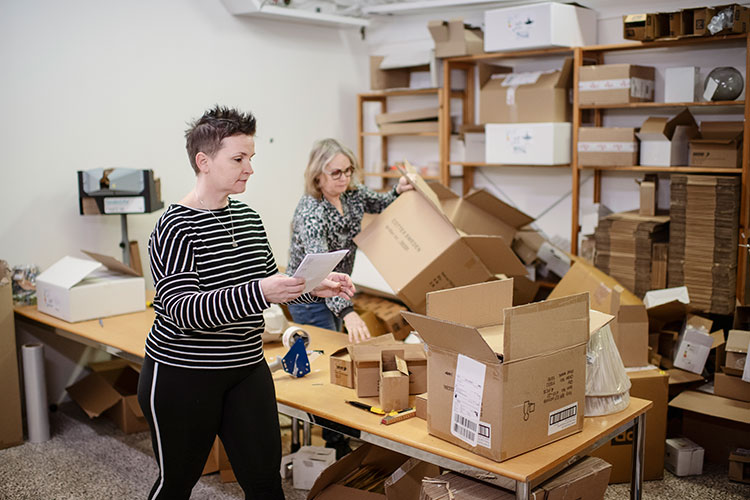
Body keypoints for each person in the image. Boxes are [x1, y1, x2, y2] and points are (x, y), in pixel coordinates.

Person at [136, 106, 355, 500]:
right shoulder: (175, 227)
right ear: (203, 161)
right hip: (183, 373)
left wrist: (315, 286)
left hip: (244, 368)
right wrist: (262, 292)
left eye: (250, 158)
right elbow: (185, 311)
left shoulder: (248, 218)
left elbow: (273, 285)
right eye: (238, 159)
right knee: (176, 485)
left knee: (265, 483)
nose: (249, 168)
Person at [286, 138, 413, 343]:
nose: (344, 178)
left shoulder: (351, 194)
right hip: (309, 296)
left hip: (336, 290)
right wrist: (347, 312)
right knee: (326, 351)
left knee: (336, 346)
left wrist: (398, 190)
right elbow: (321, 270)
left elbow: (379, 203)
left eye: (348, 170)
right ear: (317, 176)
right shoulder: (311, 212)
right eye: (336, 172)